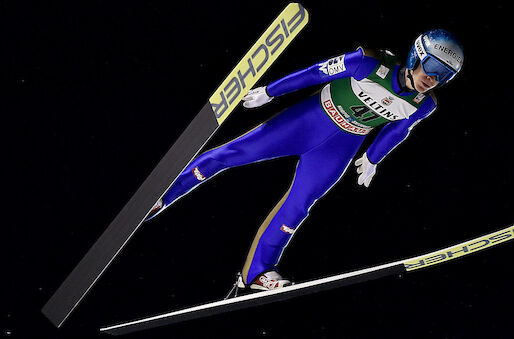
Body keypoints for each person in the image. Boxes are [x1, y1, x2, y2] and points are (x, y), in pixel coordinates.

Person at [145, 29, 464, 295]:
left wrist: (372, 158)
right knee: (234, 153)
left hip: (339, 147)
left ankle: (257, 274)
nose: (434, 79)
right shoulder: (367, 62)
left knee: (298, 207)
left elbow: (399, 129)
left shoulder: (424, 104)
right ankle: (162, 196)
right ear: (416, 56)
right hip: (309, 121)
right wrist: (271, 92)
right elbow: (316, 72)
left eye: (444, 75)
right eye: (432, 67)